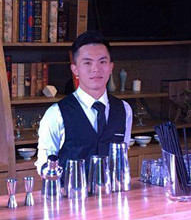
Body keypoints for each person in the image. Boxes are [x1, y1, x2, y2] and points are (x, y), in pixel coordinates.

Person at [35, 31, 133, 174]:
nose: (96, 69)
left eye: (102, 62)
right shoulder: (56, 114)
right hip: (70, 188)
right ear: (75, 69)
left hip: (111, 188)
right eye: (87, 62)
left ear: (111, 67)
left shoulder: (124, 110)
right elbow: (44, 166)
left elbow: (122, 159)